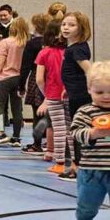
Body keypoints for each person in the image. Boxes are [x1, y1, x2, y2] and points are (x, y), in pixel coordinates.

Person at [70, 61, 110, 220]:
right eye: (100, 92)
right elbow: (75, 132)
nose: (106, 96)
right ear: (89, 90)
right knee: (86, 207)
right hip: (91, 170)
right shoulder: (85, 111)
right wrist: (93, 133)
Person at [35, 20, 74, 174]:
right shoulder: (71, 51)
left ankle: (59, 163)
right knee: (71, 127)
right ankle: (75, 161)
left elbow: (39, 79)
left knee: (58, 129)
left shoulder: (44, 53)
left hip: (52, 95)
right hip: (71, 93)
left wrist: (47, 95)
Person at [0, 17, 29, 147]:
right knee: (17, 108)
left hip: (5, 78)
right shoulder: (26, 43)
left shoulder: (6, 42)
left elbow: (0, 61)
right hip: (19, 78)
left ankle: (0, 133)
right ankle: (16, 137)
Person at [60, 11, 93, 181]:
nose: (66, 27)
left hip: (81, 97)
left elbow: (90, 71)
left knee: (78, 131)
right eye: (64, 24)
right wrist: (68, 87)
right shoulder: (74, 47)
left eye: (71, 25)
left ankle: (78, 167)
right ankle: (77, 164)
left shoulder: (77, 49)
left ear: (81, 28)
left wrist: (91, 89)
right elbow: (75, 72)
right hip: (74, 93)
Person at [18, 13, 52, 155]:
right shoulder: (54, 43)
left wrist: (21, 85)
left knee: (37, 111)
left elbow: (25, 65)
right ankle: (49, 142)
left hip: (37, 76)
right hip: (52, 77)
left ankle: (37, 143)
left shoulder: (33, 43)